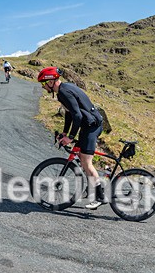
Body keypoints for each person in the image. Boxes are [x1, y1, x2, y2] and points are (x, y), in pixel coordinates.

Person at [37, 66, 105, 210]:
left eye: (43, 84)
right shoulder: (62, 91)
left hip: (92, 126)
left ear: (50, 81)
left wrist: (71, 137)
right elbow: (69, 114)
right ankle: (91, 188)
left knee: (87, 162)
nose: (43, 87)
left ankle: (100, 196)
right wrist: (65, 133)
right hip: (89, 124)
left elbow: (78, 116)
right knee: (81, 156)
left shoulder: (64, 92)